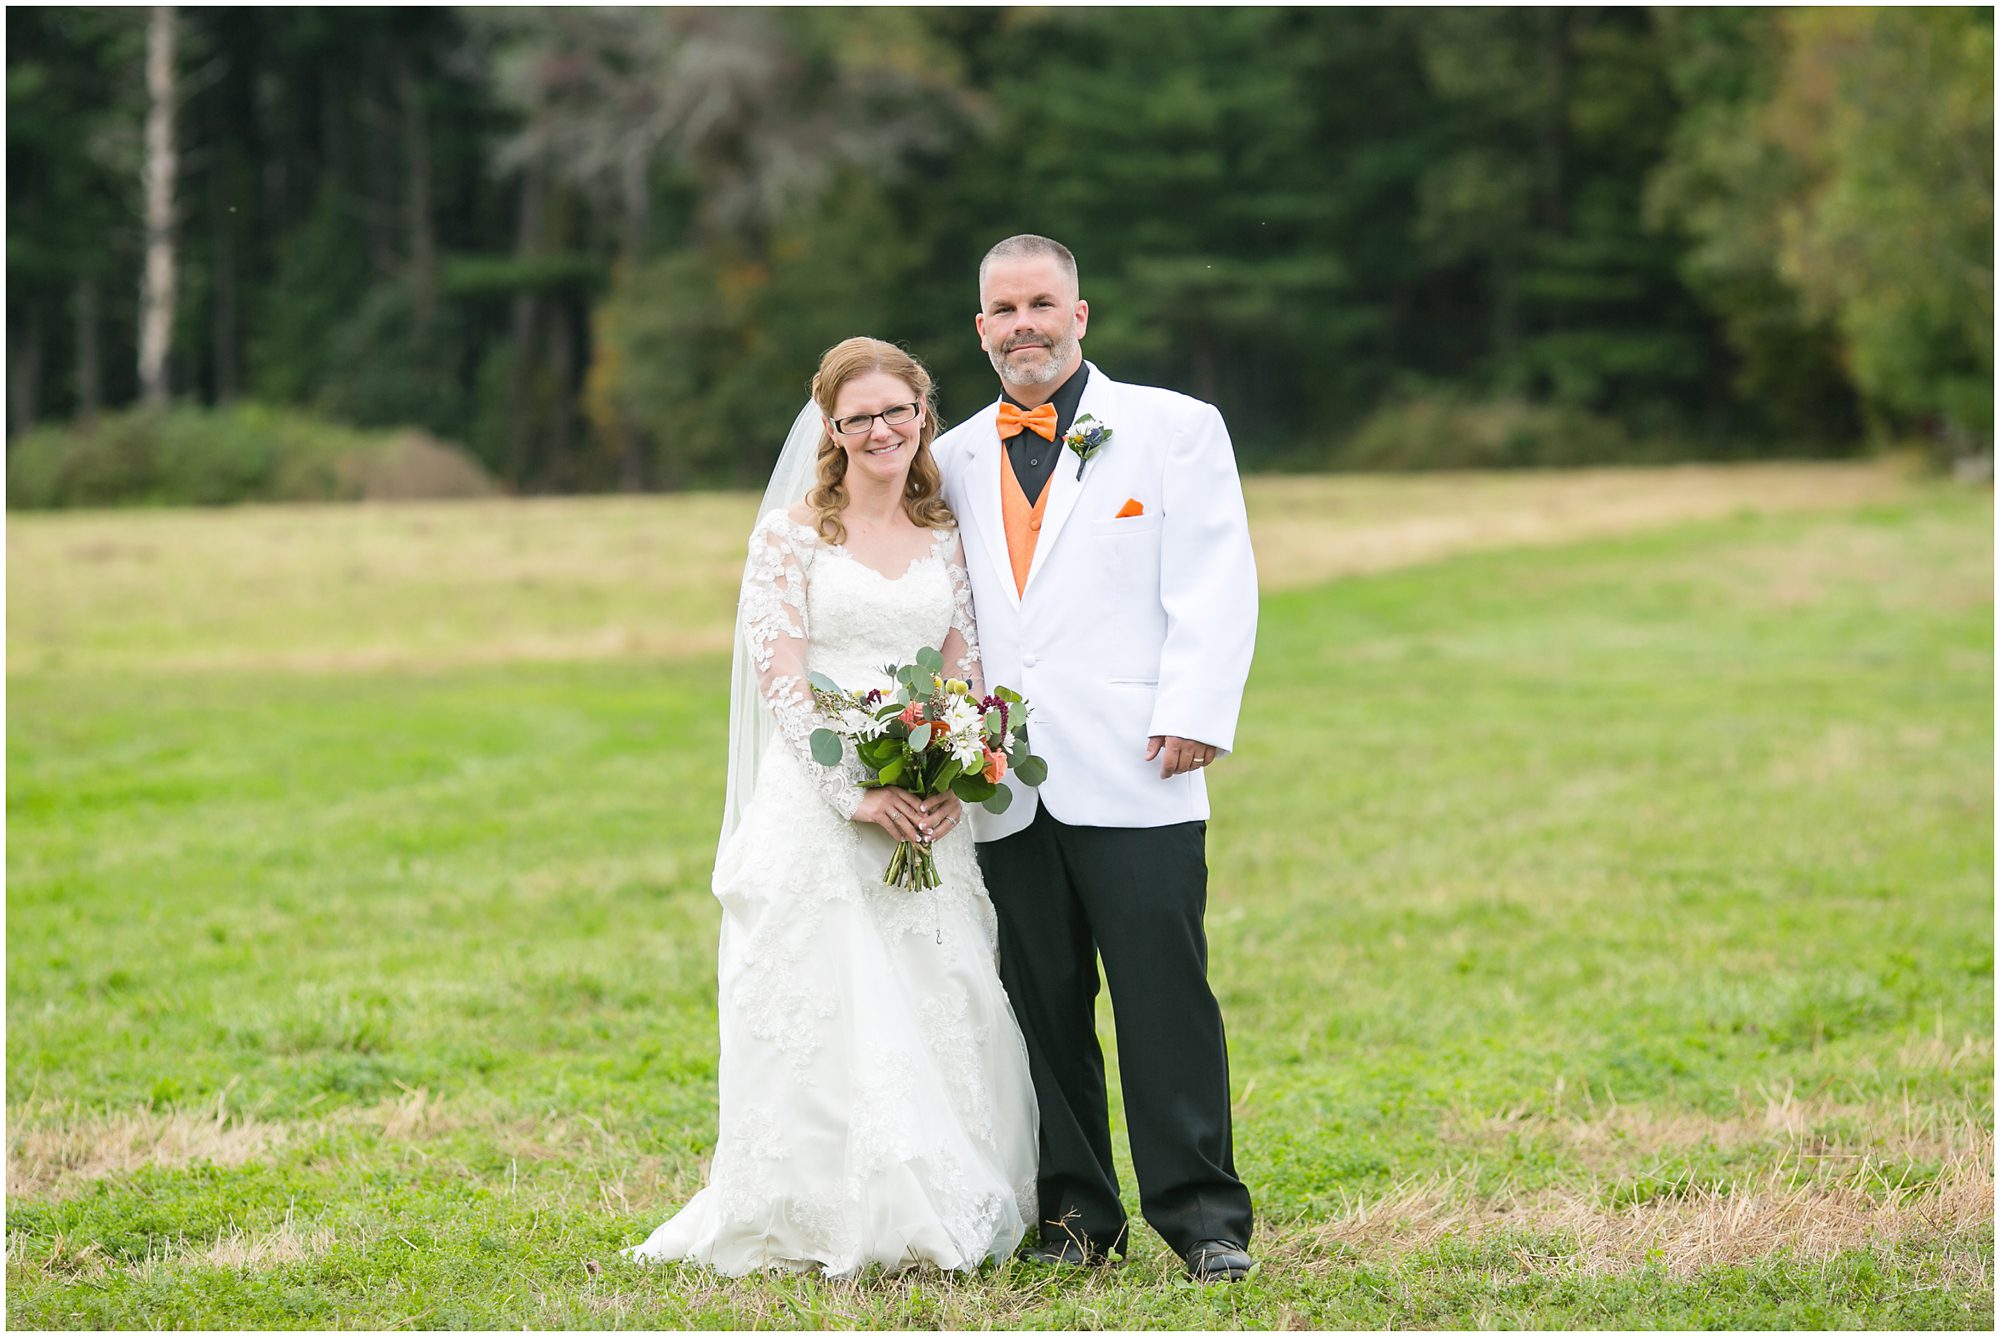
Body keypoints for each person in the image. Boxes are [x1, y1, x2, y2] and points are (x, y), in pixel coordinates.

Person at [626, 337, 1037, 1277]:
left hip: (927, 803)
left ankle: (942, 1196)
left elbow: (964, 665)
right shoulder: (791, 535)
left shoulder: (944, 535)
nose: (882, 429)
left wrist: (952, 773)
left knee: (938, 991)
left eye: (898, 410)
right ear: (834, 430)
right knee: (825, 996)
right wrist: (856, 791)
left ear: (923, 414)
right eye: (860, 417)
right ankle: (815, 1209)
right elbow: (783, 681)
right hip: (821, 803)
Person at [932, 234, 1261, 1283]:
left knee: (1163, 996)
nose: (1021, 323)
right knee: (1038, 1004)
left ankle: (1204, 1215)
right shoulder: (954, 455)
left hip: (1140, 760)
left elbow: (1214, 575)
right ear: (979, 328)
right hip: (1000, 780)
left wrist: (1198, 706)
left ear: (1080, 313)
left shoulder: (1173, 428)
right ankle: (1073, 1212)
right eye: (1001, 309)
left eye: (1040, 303)